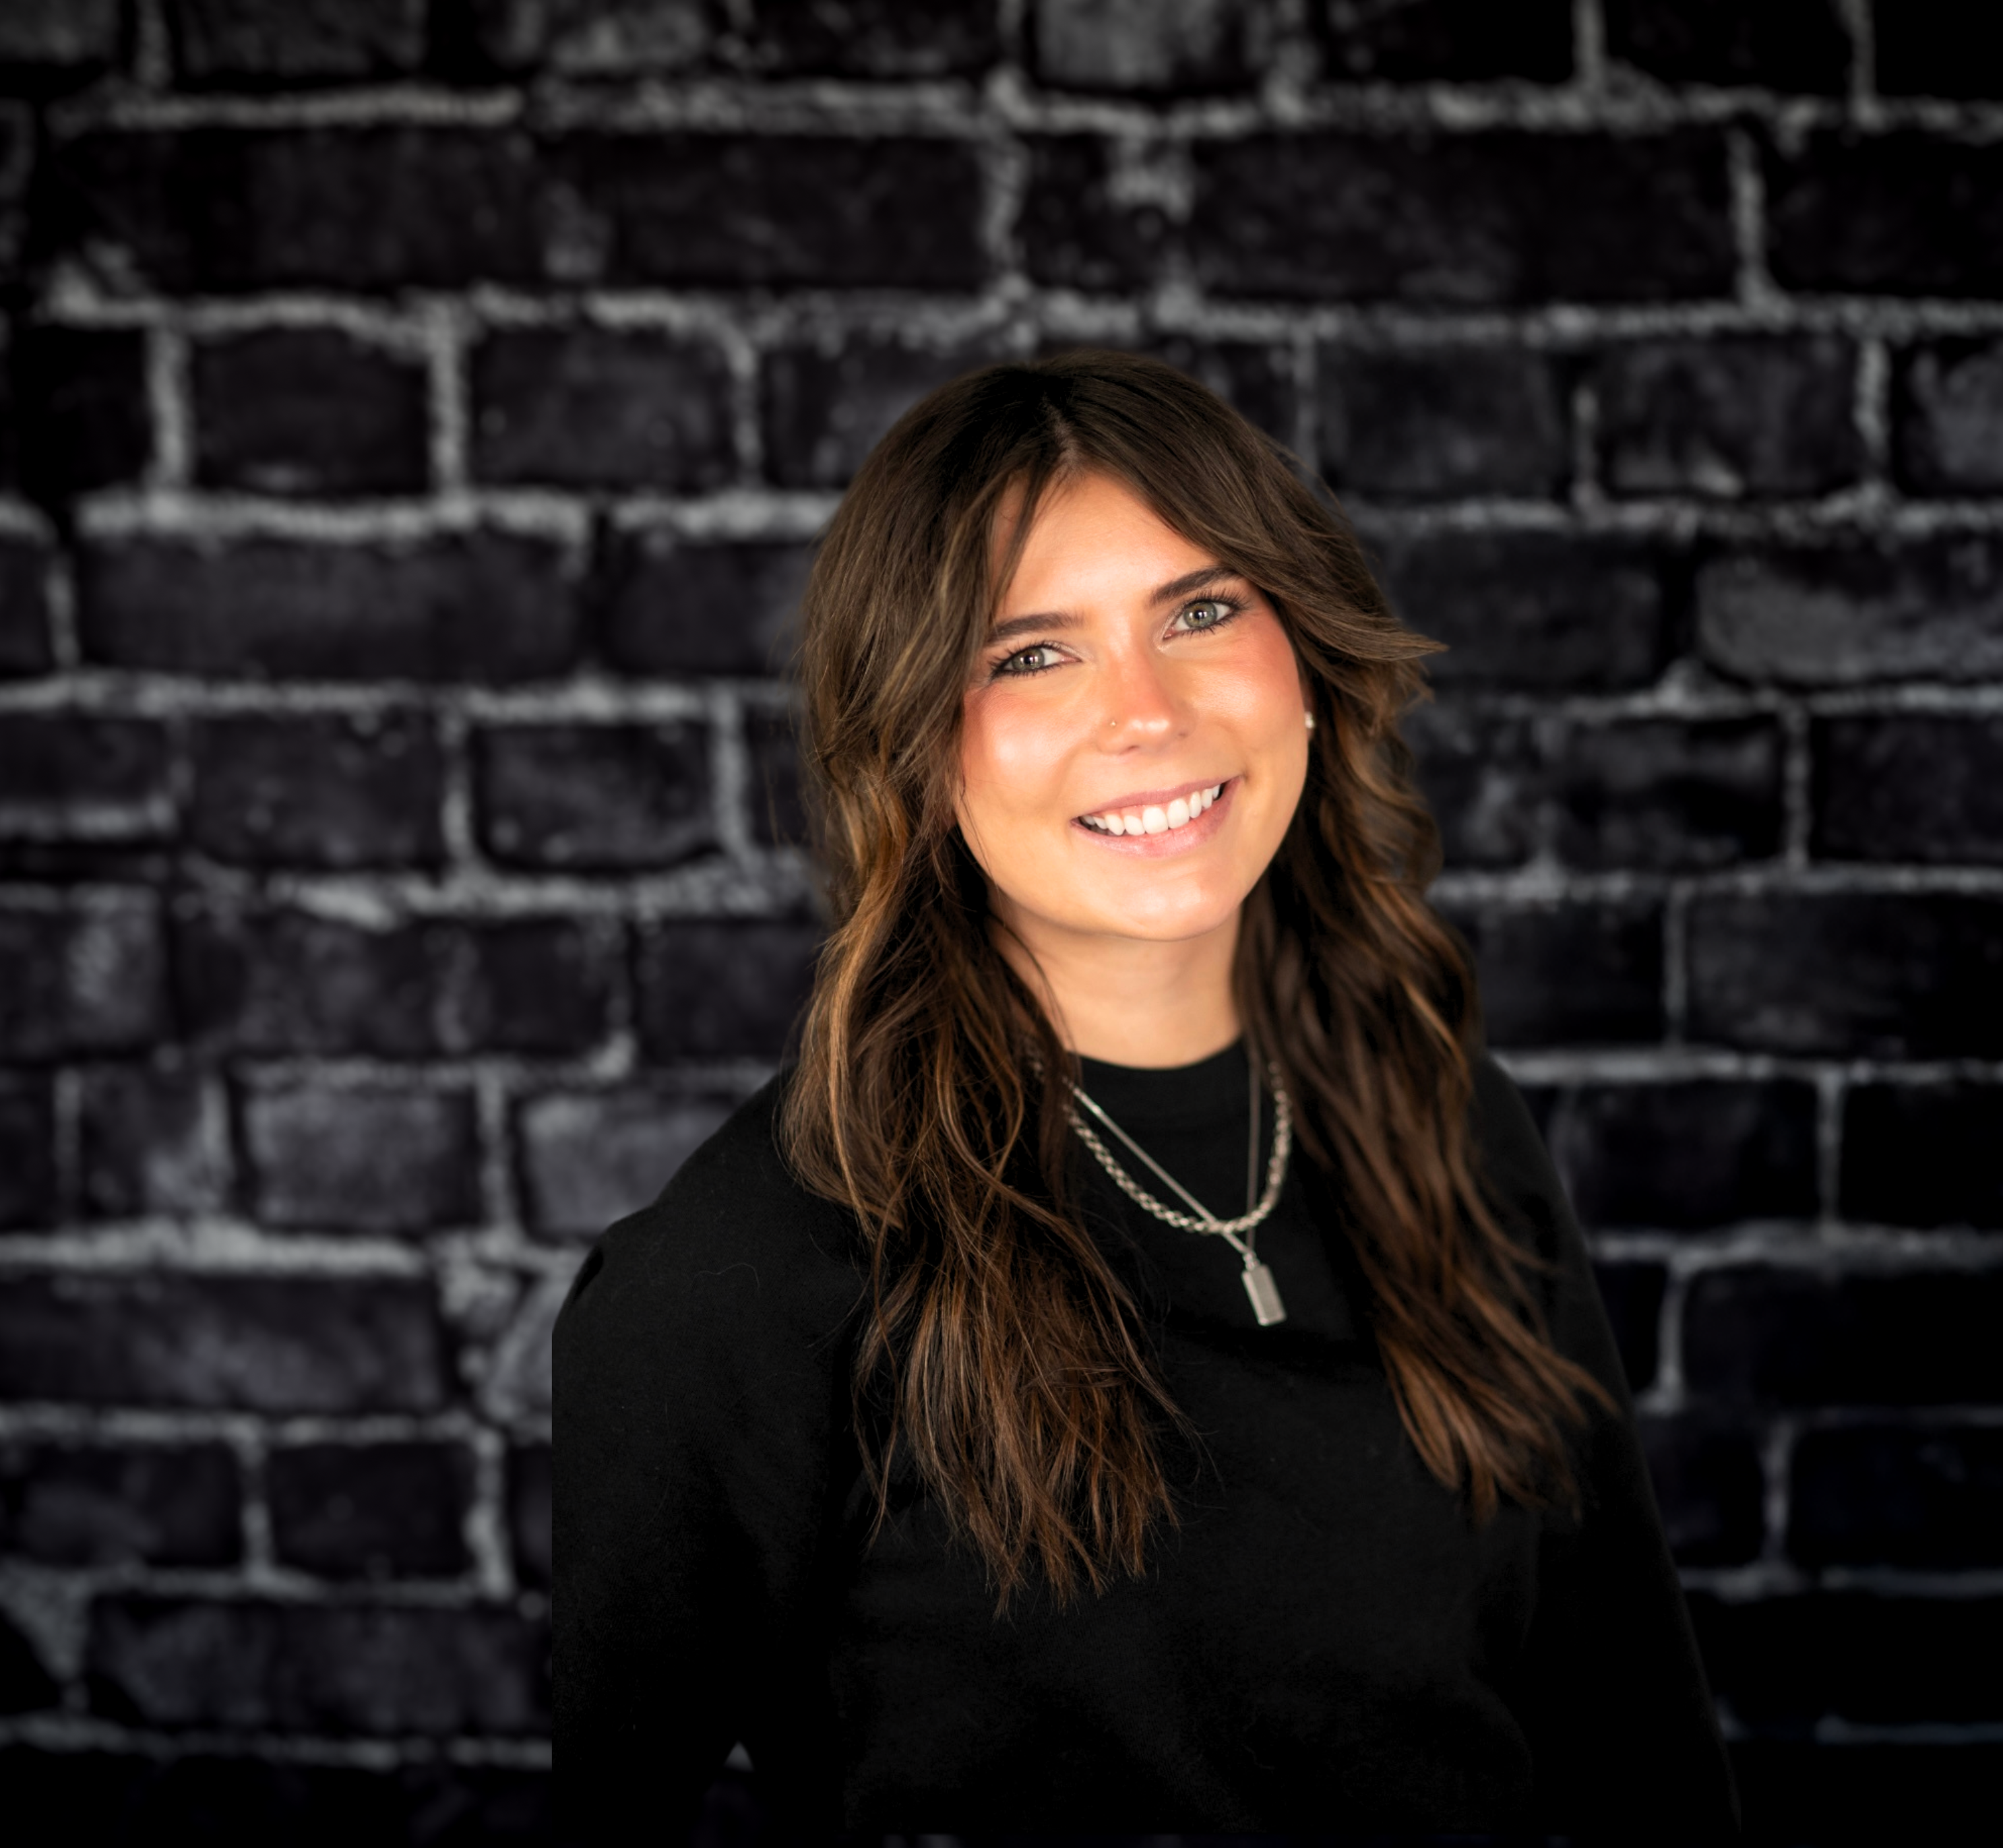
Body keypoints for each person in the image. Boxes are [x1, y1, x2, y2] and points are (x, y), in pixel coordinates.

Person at [553, 350, 1736, 1839]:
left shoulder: (1446, 1123)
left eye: (1201, 611)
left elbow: (1645, 1748)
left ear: (1308, 660)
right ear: (914, 751)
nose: (1147, 712)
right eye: (1029, 655)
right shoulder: (743, 1276)